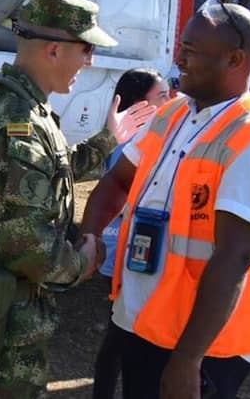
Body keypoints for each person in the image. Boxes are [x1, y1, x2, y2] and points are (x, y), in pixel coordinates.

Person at [0, 0, 157, 399]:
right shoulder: (17, 121)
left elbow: (41, 178)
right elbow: (30, 248)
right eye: (85, 49)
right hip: (1, 327)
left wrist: (107, 141)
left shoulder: (20, 107)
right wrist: (83, 260)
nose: (90, 60)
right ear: (54, 50)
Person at [80, 0, 250, 399]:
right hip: (141, 322)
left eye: (191, 51)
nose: (179, 58)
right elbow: (116, 182)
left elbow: (235, 258)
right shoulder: (173, 114)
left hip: (201, 348)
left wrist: (188, 360)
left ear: (235, 60)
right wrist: (90, 236)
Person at [93, 68, 169, 399]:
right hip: (126, 256)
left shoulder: (154, 135)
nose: (171, 100)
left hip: (132, 257)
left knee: (116, 340)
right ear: (140, 104)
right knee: (118, 341)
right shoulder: (131, 142)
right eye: (162, 96)